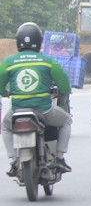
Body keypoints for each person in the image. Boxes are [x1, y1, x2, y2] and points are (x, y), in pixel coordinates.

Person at [1, 23, 73, 174]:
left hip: (17, 110)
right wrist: (65, 91)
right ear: (39, 42)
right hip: (44, 110)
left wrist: (4, 93)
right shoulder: (47, 61)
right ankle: (59, 157)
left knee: (6, 127)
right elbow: (64, 84)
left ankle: (14, 160)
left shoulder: (8, 62)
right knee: (67, 121)